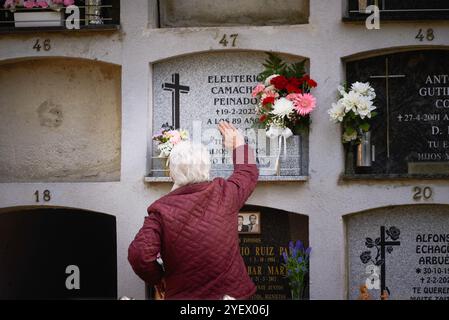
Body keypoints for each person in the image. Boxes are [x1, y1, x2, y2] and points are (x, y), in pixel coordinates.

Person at [128, 121, 259, 299]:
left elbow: (139, 255)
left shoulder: (161, 210)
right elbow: (247, 172)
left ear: (171, 174)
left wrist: (159, 279)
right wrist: (239, 145)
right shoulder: (224, 193)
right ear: (207, 167)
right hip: (231, 296)